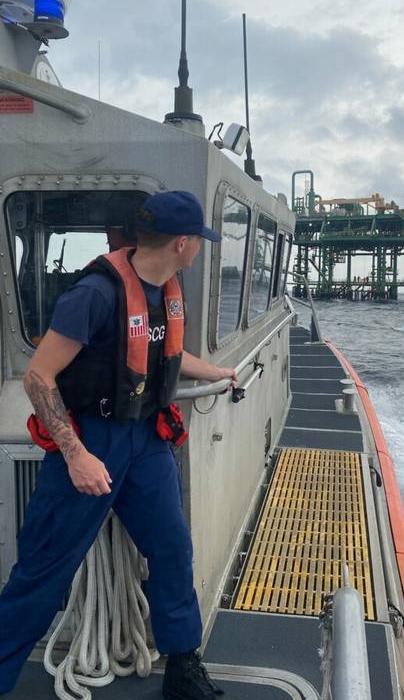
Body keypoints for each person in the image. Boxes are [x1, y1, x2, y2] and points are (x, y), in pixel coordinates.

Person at [0, 191, 237, 700]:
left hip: (146, 439)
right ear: (182, 244)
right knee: (43, 569)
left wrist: (217, 372)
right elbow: (39, 377)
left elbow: (164, 357)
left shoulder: (163, 289)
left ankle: (182, 665)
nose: (198, 249)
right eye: (198, 240)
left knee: (172, 548)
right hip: (91, 440)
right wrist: (76, 454)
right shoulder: (95, 294)